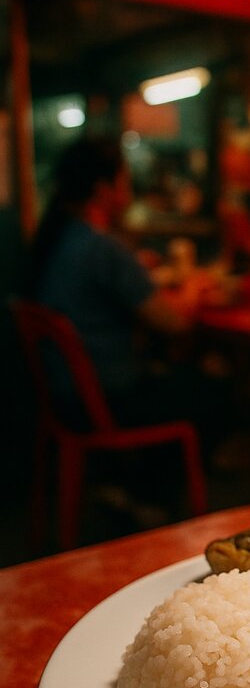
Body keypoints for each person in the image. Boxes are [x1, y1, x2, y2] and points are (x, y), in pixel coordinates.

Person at [25, 136, 232, 476]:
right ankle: (158, 489)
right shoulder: (101, 247)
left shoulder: (62, 237)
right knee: (217, 390)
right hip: (107, 401)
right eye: (124, 182)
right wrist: (195, 286)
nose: (128, 191)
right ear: (102, 189)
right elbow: (174, 322)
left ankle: (135, 483)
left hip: (65, 398)